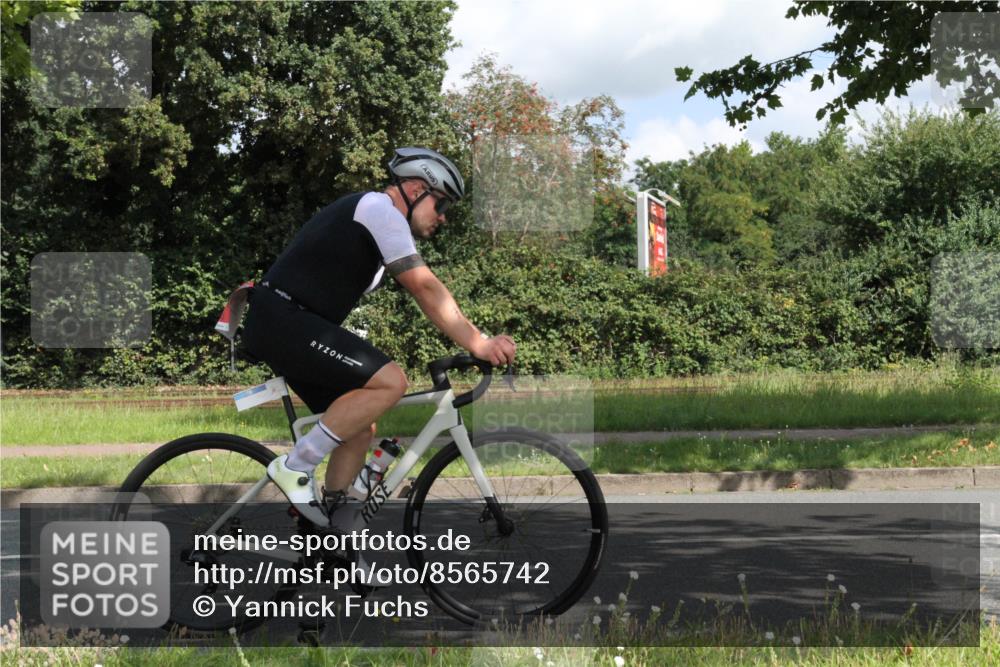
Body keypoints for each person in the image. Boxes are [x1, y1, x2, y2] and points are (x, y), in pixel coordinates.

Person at [240, 147, 516, 528]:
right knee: (391, 382)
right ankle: (296, 465)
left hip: (289, 323)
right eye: (441, 204)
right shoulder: (379, 209)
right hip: (283, 319)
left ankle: (332, 533)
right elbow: (424, 288)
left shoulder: (375, 220)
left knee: (358, 428)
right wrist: (479, 342)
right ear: (417, 188)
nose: (443, 217)